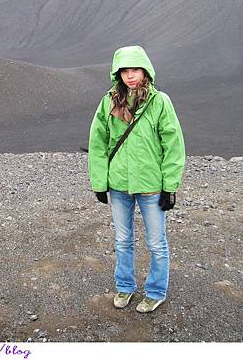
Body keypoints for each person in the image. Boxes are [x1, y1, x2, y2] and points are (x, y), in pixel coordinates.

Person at [88, 45, 186, 313]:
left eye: (135, 70)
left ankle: (155, 292)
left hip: (150, 185)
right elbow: (98, 143)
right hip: (119, 184)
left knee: (156, 242)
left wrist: (170, 186)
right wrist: (99, 182)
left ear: (145, 71)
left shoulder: (159, 102)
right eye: (125, 71)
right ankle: (125, 287)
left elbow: (173, 145)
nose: (130, 76)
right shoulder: (109, 101)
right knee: (123, 240)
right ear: (117, 73)